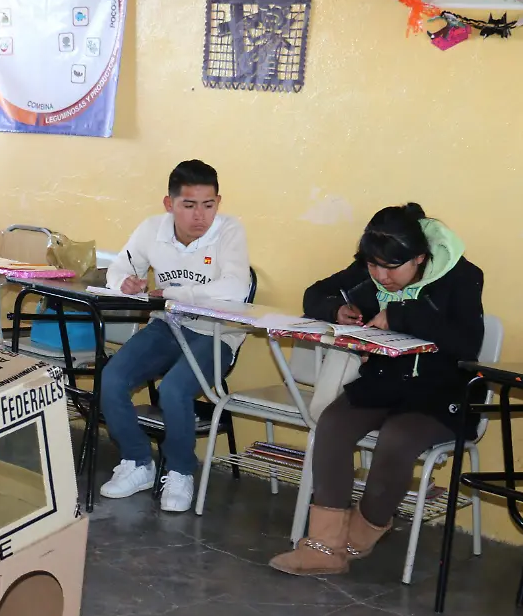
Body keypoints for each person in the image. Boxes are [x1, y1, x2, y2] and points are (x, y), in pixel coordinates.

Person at [269, 203, 484, 576]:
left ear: (419, 258)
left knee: (397, 439)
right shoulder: (371, 268)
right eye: (373, 266)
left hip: (442, 395)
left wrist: (401, 314)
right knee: (333, 425)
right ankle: (323, 547)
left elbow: (467, 343)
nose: (381, 276)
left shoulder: (462, 276)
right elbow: (315, 295)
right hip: (385, 382)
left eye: (391, 267)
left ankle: (360, 535)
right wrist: (337, 309)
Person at [97, 159, 251, 512]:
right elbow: (121, 266)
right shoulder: (153, 229)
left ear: (218, 203)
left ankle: (181, 471)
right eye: (189, 205)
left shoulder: (229, 231)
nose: (200, 216)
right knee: (112, 378)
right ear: (169, 204)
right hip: (169, 324)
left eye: (209, 205)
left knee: (175, 389)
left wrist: (177, 294)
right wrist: (125, 282)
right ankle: (138, 463)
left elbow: (235, 288)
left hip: (218, 332)